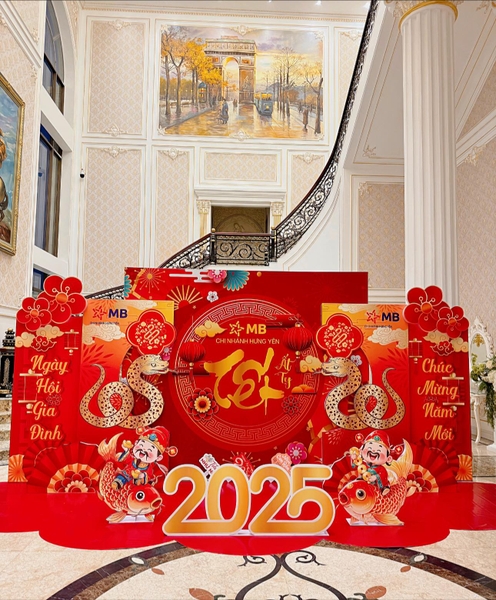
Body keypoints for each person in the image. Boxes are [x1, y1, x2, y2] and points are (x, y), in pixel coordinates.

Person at [350, 431, 393, 495]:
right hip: (363, 485)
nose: (373, 451)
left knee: (382, 489)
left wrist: (375, 477)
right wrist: (354, 459)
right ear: (361, 451)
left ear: (388, 459)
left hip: (375, 486)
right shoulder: (363, 464)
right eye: (369, 448)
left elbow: (383, 475)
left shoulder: (381, 469)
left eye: (379, 450)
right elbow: (353, 466)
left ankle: (383, 491)